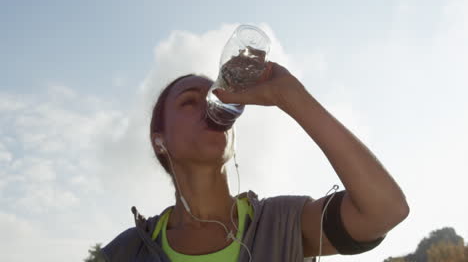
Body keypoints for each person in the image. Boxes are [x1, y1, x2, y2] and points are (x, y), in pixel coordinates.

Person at [101, 62, 409, 262]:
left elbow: (385, 210)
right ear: (160, 141)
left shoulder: (281, 223)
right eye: (190, 101)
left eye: (216, 98)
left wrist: (293, 97)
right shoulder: (125, 252)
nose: (210, 107)